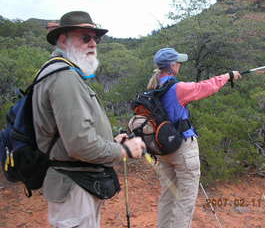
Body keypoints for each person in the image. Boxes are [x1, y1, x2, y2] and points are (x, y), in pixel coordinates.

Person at [33, 11, 146, 228]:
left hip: (78, 183)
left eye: (96, 38)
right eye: (85, 37)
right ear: (63, 40)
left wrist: (111, 142)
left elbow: (75, 133)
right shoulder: (64, 77)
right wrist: (124, 150)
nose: (93, 43)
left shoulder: (64, 72)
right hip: (74, 187)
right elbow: (80, 146)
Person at [148, 47, 241, 228]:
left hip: (163, 150)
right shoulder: (178, 88)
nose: (180, 65)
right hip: (183, 149)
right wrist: (227, 76)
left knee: (167, 197)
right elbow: (205, 87)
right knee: (185, 201)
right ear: (172, 66)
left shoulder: (153, 87)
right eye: (178, 62)